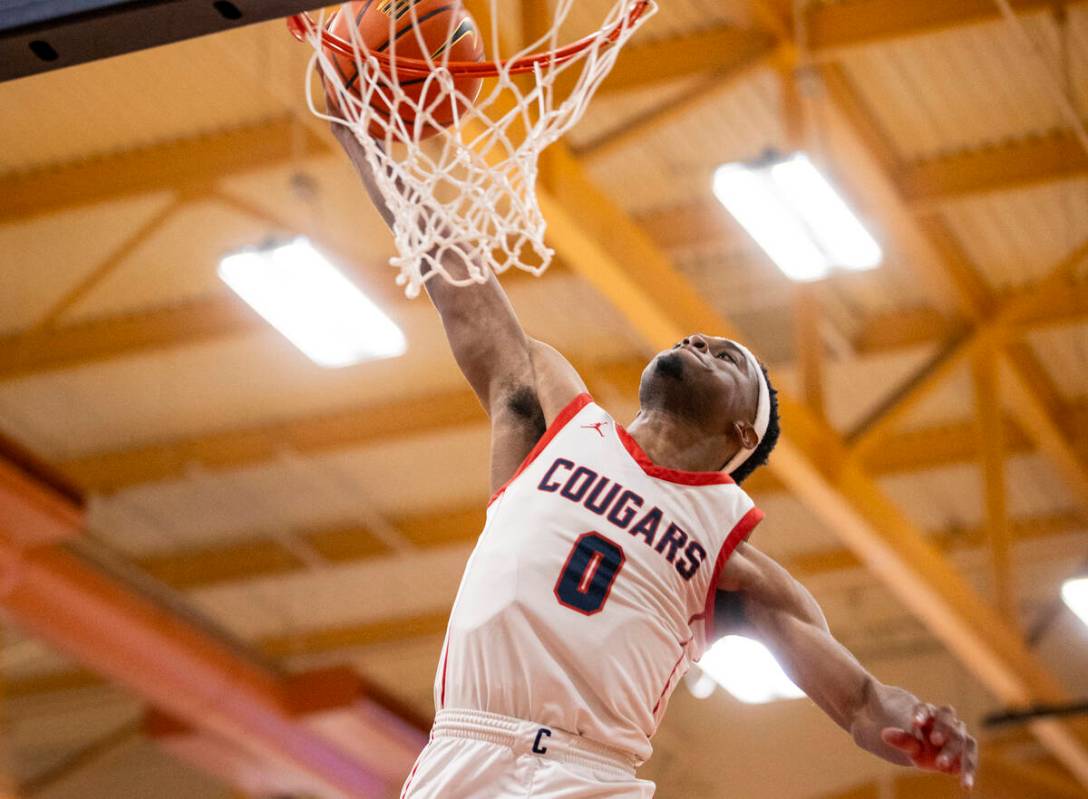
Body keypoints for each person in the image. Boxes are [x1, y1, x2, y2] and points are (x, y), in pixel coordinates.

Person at [328, 120, 979, 798]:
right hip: (463, 749)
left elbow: (863, 702)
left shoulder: (733, 563)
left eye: (728, 358)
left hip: (587, 776)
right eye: (698, 337)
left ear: (741, 433)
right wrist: (361, 139)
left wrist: (920, 723)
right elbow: (457, 281)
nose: (700, 341)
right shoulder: (553, 419)